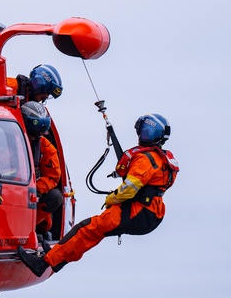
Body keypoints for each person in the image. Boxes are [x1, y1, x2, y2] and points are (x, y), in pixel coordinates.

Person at [16, 113, 179, 277]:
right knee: (90, 233)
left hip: (138, 211)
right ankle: (55, 254)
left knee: (86, 230)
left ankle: (43, 263)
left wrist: (111, 199)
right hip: (152, 213)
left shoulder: (144, 159)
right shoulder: (162, 158)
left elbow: (130, 188)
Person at [21, 101, 63, 240]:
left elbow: (53, 177)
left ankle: (28, 227)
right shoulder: (10, 139)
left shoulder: (46, 148)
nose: (36, 137)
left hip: (30, 196)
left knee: (55, 197)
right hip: (9, 191)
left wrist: (35, 189)